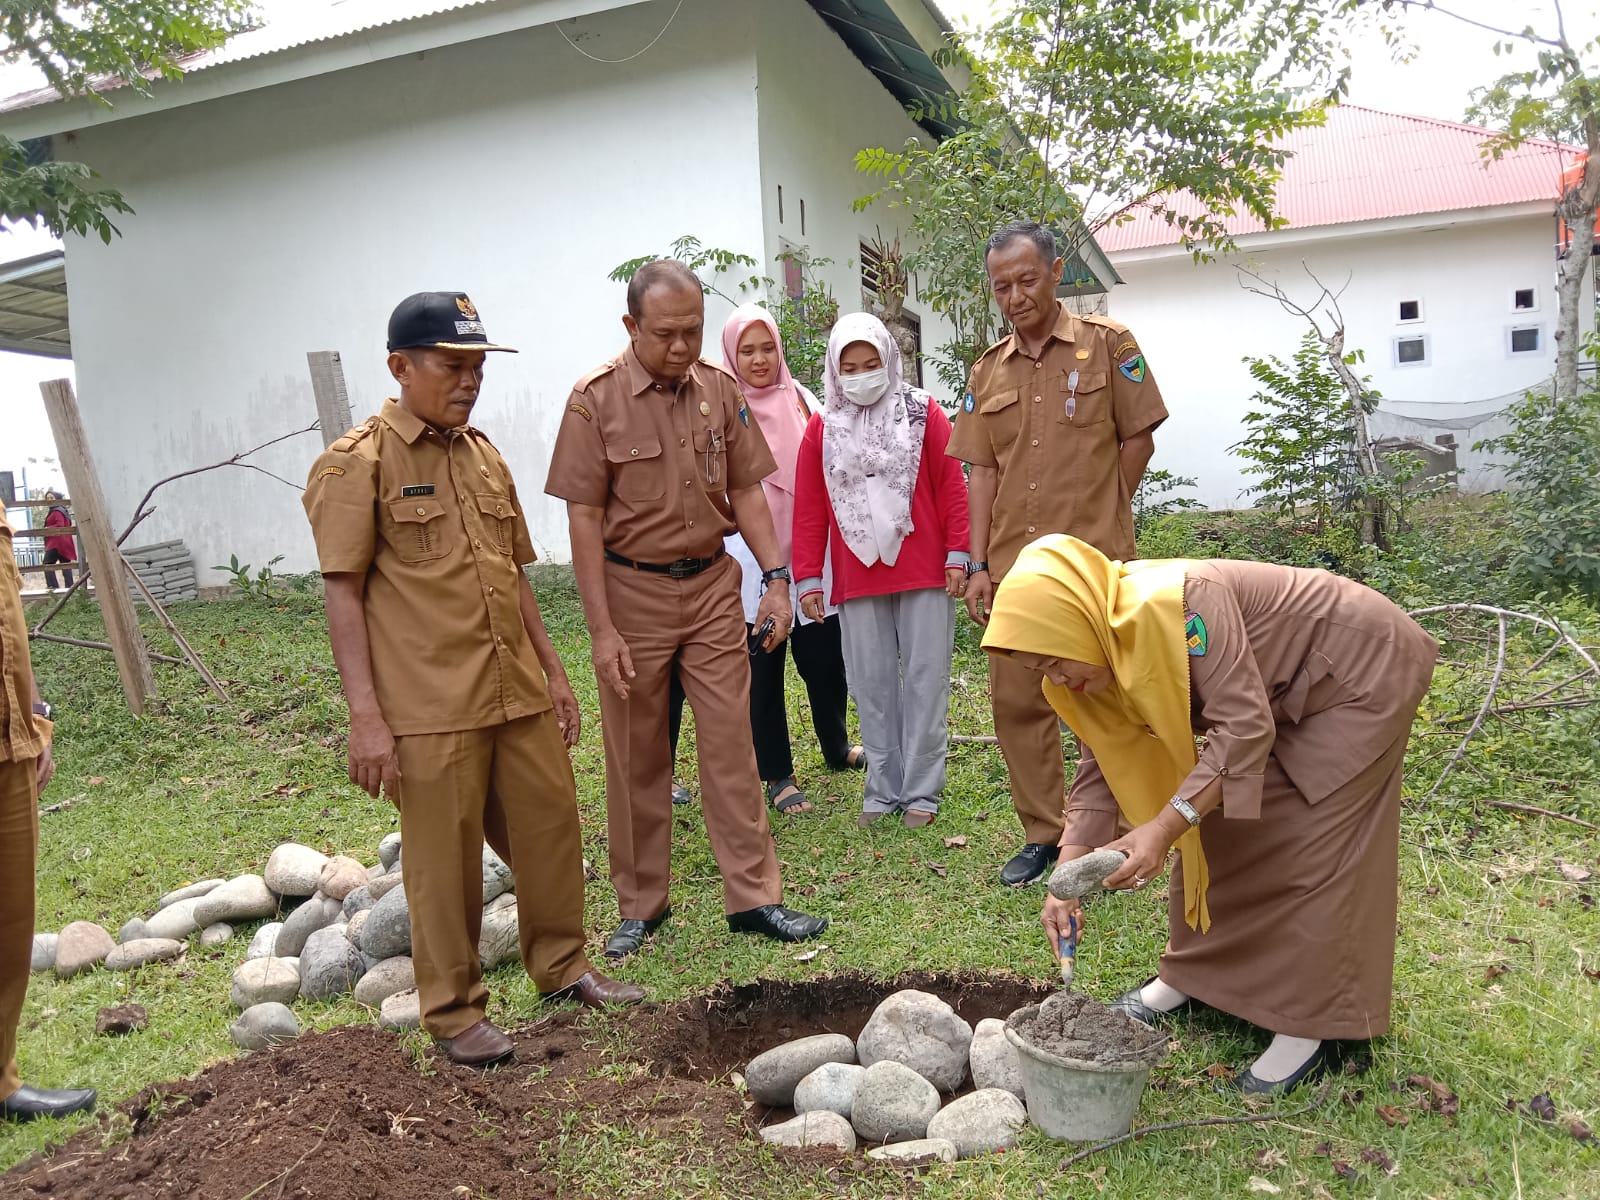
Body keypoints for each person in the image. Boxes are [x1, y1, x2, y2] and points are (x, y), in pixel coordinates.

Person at [304, 291, 644, 1069]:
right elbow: (343, 594)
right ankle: (454, 1014)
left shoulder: (483, 456)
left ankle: (562, 969)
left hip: (513, 687)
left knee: (551, 828)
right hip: (430, 706)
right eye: (451, 365)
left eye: (477, 366)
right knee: (444, 863)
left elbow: (514, 577)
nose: (469, 380)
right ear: (400, 366)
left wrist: (555, 674)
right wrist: (366, 717)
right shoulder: (358, 464)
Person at [981, 534, 1439, 1094]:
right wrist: (1067, 876)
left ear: (1078, 622)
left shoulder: (1184, 607)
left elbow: (1243, 730)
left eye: (1054, 659)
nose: (1056, 679)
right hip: (1270, 698)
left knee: (1308, 836)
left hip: (1356, 672)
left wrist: (1164, 825)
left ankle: (1312, 1029)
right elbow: (1104, 755)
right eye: (1040, 669)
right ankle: (1194, 978)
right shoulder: (1101, 648)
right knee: (1220, 824)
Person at [544, 260, 828, 961]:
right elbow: (583, 521)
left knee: (732, 742)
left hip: (708, 589)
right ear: (631, 326)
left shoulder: (718, 390)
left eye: (692, 331)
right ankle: (642, 906)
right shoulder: (594, 402)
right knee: (639, 753)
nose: (680, 346)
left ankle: (756, 898)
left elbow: (750, 493)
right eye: (665, 334)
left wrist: (776, 579)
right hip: (632, 593)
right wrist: (601, 629)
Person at [949, 220, 1169, 888]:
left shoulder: (1108, 346)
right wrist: (980, 563)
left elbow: (1140, 439)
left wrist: (1107, 512)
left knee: (1110, 698)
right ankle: (1044, 835)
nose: (1015, 297)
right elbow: (979, 472)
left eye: (1026, 280)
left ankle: (1121, 830)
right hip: (1015, 569)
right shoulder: (988, 370)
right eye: (1001, 287)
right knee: (1018, 702)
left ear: (1055, 271)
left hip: (1093, 566)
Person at [665, 303, 864, 816]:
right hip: (752, 557)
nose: (759, 359)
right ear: (731, 354)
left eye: (767, 347)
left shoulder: (801, 398)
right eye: (747, 350)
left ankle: (837, 746)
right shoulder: (720, 406)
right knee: (763, 667)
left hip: (809, 547)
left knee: (825, 660)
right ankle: (776, 773)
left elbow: (829, 461)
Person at [793, 313, 970, 829]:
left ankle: (922, 790)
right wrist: (808, 577)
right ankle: (882, 787)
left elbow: (952, 485)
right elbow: (809, 508)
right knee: (870, 683)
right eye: (850, 366)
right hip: (855, 575)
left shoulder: (924, 413)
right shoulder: (821, 429)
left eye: (871, 363)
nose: (862, 374)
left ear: (890, 360)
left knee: (924, 679)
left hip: (923, 569)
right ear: (834, 369)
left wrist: (958, 553)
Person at [2, 510, 96, 1120]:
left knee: (11, 918)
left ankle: (0, 1078)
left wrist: (36, 717)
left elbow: (12, 632)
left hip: (10, 746)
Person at [41, 492, 75, 592]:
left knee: (47, 564)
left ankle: (53, 588)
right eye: (47, 498)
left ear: (57, 498)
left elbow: (60, 525)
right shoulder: (63, 510)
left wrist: (47, 528)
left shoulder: (56, 511)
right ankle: (70, 588)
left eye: (52, 497)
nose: (49, 500)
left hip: (56, 542)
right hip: (65, 542)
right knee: (65, 565)